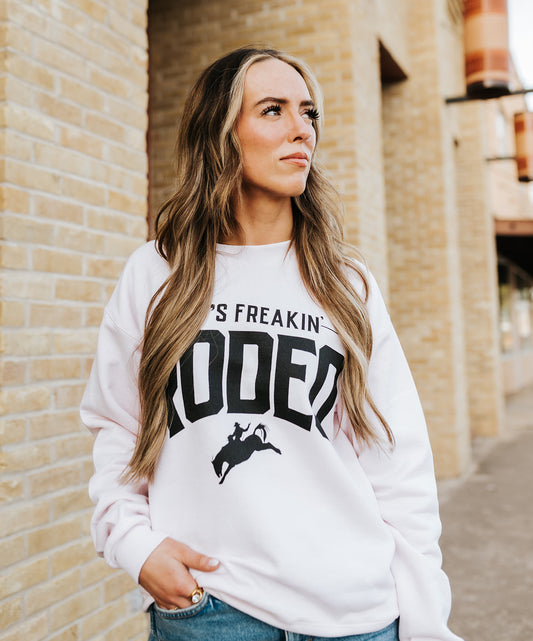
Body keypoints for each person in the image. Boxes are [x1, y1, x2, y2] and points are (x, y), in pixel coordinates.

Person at [81, 47, 463, 641]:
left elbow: (397, 457)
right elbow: (117, 425)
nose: (301, 129)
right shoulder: (157, 273)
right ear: (221, 133)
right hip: (214, 611)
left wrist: (424, 620)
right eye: (272, 110)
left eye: (308, 112)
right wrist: (133, 544)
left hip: (353, 615)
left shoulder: (345, 283)